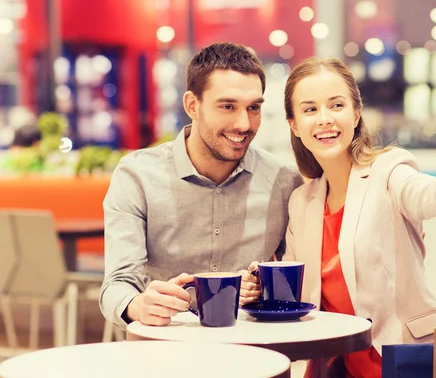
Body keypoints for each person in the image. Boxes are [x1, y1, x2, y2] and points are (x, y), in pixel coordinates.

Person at [241, 57, 436, 377]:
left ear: (356, 114)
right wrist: (262, 285)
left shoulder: (389, 171)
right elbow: (296, 289)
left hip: (407, 360)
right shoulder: (303, 201)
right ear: (294, 125)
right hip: (335, 365)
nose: (325, 119)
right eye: (310, 109)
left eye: (336, 105)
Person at [100, 42, 304, 330]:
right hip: (164, 351)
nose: (244, 123)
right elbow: (117, 286)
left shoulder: (284, 181)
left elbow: (293, 281)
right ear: (192, 106)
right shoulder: (137, 176)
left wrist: (261, 289)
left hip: (251, 351)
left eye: (253, 108)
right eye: (227, 106)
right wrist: (137, 304)